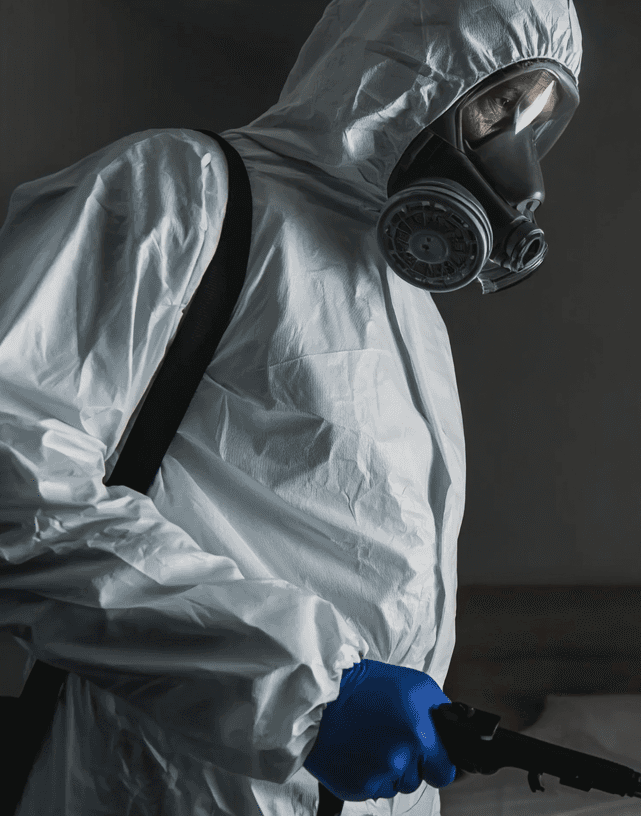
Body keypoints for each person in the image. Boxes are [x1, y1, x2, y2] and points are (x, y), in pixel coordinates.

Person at [0, 0, 582, 813]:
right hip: (164, 784)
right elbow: (16, 483)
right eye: (497, 104)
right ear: (410, 66)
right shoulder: (182, 191)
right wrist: (307, 690)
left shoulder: (411, 311)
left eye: (536, 120)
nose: (514, 151)